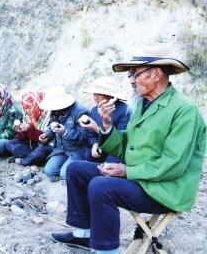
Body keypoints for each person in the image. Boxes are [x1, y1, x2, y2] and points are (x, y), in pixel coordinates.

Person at [50, 44, 206, 254]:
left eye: (135, 74)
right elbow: (127, 146)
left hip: (166, 188)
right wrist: (106, 126)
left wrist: (126, 171)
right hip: (141, 176)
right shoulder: (143, 103)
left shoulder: (184, 110)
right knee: (76, 169)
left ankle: (108, 251)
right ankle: (83, 235)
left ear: (156, 74)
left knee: (101, 186)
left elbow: (174, 164)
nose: (131, 80)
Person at [38, 86, 89, 181]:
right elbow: (52, 127)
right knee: (49, 170)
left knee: (64, 174)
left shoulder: (81, 112)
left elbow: (83, 137)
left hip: (77, 151)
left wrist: (65, 132)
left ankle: (77, 167)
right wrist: (47, 135)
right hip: (61, 150)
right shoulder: (55, 110)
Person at [81, 76, 130, 163]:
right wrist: (94, 144)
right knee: (88, 155)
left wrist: (96, 128)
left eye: (99, 94)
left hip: (118, 149)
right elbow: (90, 133)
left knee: (112, 160)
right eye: (94, 94)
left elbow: (121, 140)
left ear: (110, 95)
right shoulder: (94, 110)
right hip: (101, 146)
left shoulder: (124, 110)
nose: (95, 97)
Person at [5, 91, 53, 166]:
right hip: (35, 146)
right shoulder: (28, 115)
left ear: (37, 104)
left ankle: (24, 160)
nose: (27, 110)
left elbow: (45, 139)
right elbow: (26, 139)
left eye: (29, 107)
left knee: (39, 152)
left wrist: (29, 129)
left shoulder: (49, 114)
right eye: (25, 108)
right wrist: (21, 131)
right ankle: (34, 159)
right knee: (10, 144)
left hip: (47, 146)